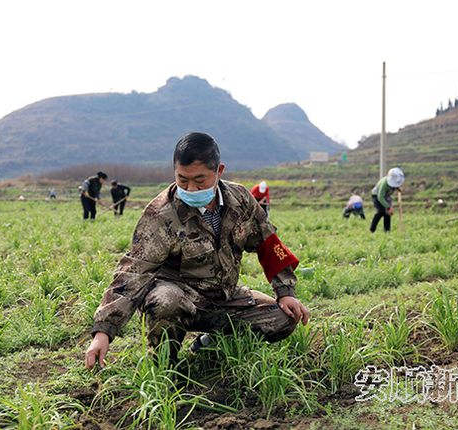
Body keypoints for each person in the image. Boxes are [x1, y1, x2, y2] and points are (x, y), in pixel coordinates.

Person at [85, 132, 309, 371]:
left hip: (225, 298)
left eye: (199, 180)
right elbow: (133, 272)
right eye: (183, 180)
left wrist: (285, 292)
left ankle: (210, 344)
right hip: (178, 300)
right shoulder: (161, 214)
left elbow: (269, 244)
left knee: (283, 317)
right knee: (165, 301)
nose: (191, 188)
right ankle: (164, 367)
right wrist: (103, 331)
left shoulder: (241, 200)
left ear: (219, 171)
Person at [369, 168, 404, 233]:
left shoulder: (396, 181)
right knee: (381, 212)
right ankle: (371, 229)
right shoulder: (384, 183)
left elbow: (396, 185)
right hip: (377, 196)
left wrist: (398, 188)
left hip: (386, 197)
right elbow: (380, 197)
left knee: (387, 214)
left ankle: (387, 231)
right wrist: (388, 208)